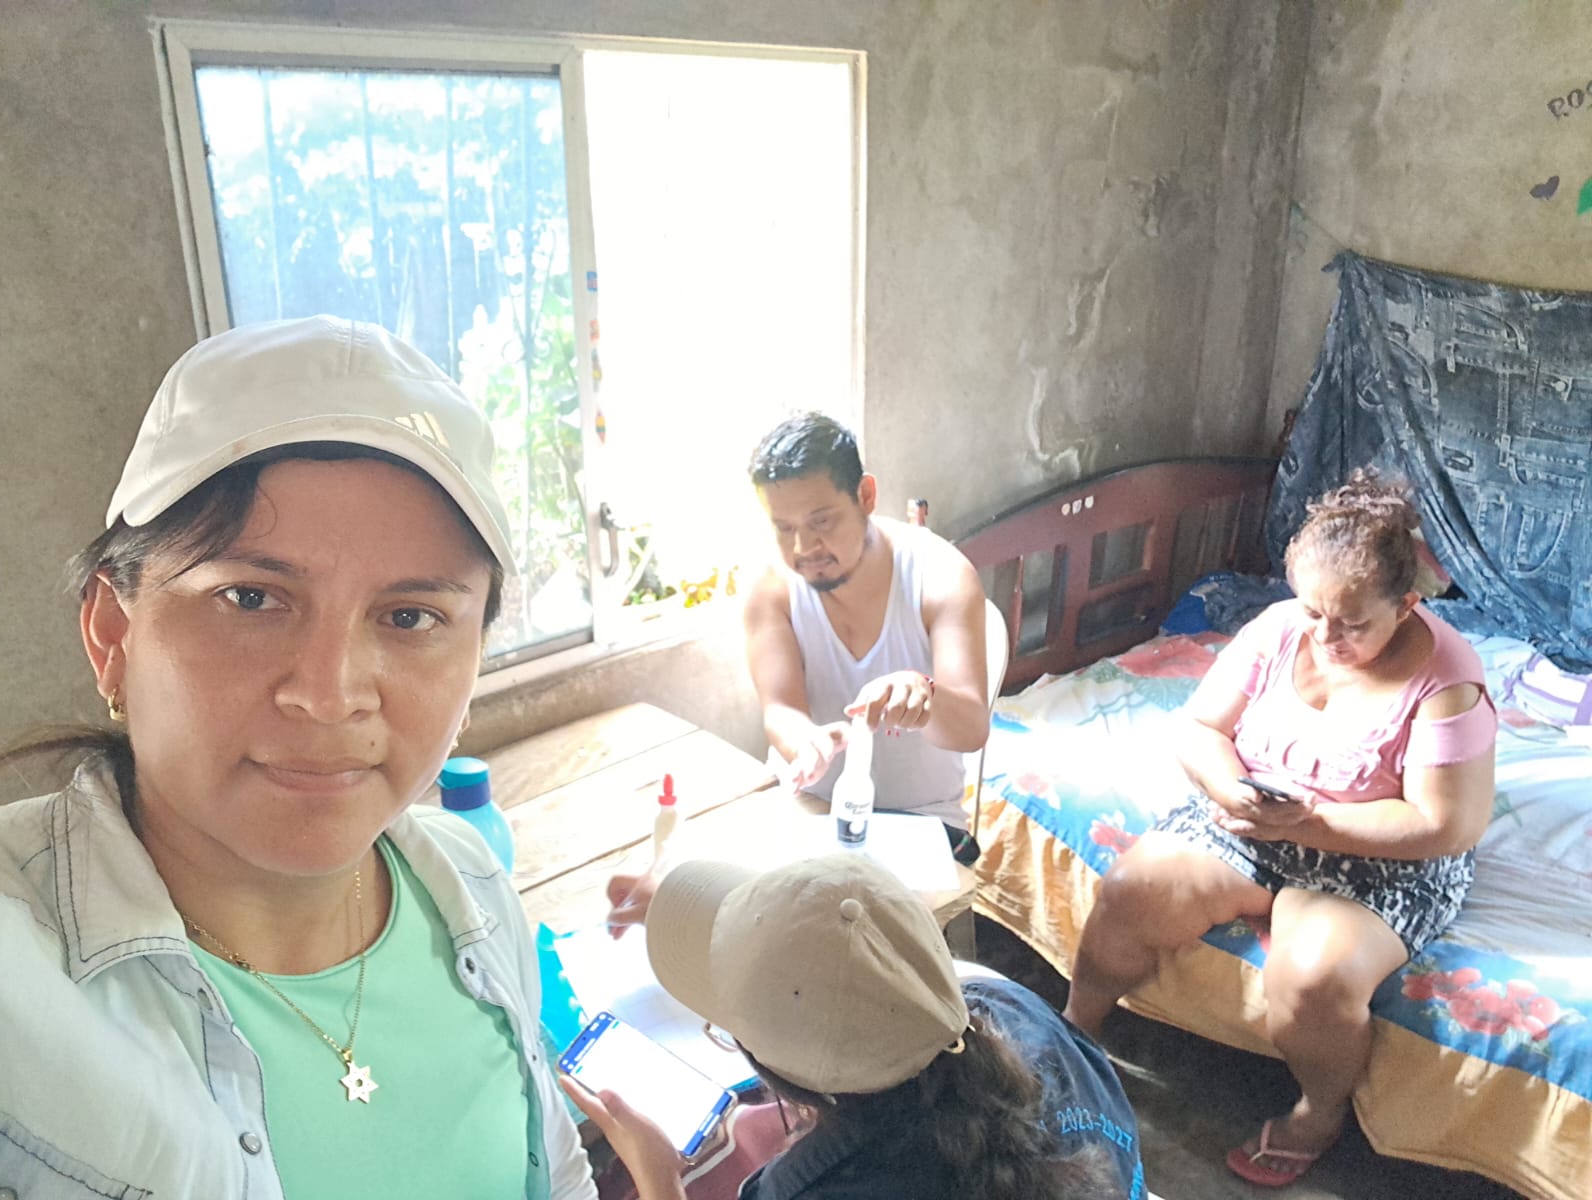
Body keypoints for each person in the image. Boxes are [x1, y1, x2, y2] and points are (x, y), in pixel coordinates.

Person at [0, 317, 619, 1199]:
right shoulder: (15, 986)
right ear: (112, 634)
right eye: (251, 598)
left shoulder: (470, 885)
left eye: (411, 617)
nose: (330, 694)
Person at [1062, 470, 1497, 1188]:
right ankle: (1077, 1028)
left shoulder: (1447, 680)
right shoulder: (1280, 627)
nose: (1325, 636)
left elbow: (1444, 824)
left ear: (1406, 605)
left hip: (1379, 856)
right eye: (1313, 611)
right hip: (1256, 818)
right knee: (1132, 889)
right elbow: (1201, 727)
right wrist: (1232, 791)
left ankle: (1320, 1111)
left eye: (1352, 623)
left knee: (1314, 978)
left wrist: (1311, 823)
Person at [569, 853, 1146, 1200]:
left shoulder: (809, 1188)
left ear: (786, 1082)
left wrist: (659, 1179)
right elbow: (847, 939)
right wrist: (694, 914)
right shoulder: (1010, 1006)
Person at [742, 413, 990, 842]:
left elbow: (971, 729)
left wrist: (924, 694)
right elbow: (780, 709)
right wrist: (809, 744)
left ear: (866, 495)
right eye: (784, 528)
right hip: (811, 809)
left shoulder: (940, 576)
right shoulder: (770, 590)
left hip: (924, 822)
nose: (804, 548)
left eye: (821, 522)